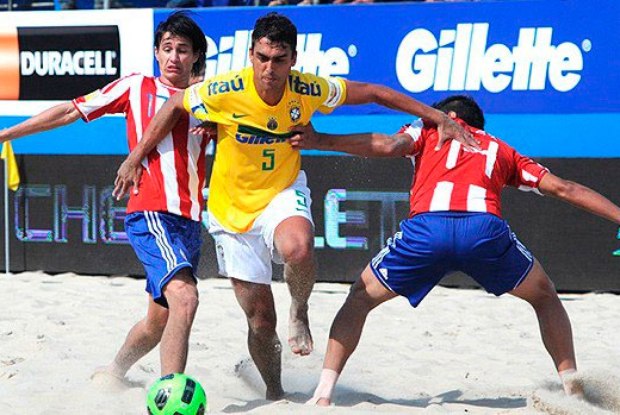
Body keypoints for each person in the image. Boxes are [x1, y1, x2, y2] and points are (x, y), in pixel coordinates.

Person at [112, 12, 476, 400]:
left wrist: (437, 116)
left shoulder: (307, 88)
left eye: (279, 60)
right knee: (260, 322)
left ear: (294, 59)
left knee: (298, 247)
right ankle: (274, 391)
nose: (270, 69)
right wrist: (137, 156)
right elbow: (174, 104)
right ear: (251, 54)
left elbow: (373, 92)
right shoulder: (222, 89)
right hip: (230, 210)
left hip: (282, 192)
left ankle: (299, 307)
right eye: (263, 58)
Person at [289, 95, 620, 405]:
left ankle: (323, 394)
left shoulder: (428, 130)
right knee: (545, 296)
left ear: (447, 118)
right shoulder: (500, 149)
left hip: (427, 231)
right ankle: (571, 390)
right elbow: (564, 188)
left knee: (360, 297)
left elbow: (388, 145)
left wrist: (321, 140)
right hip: (483, 232)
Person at [0, 12, 209, 380]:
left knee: (157, 321)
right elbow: (69, 110)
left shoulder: (208, 100)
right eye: (167, 49)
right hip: (151, 212)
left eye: (183, 50)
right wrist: (5, 134)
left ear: (195, 57)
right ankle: (171, 393)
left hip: (190, 220)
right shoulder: (135, 87)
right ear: (156, 54)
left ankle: (113, 372)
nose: (174, 57)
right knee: (186, 298)